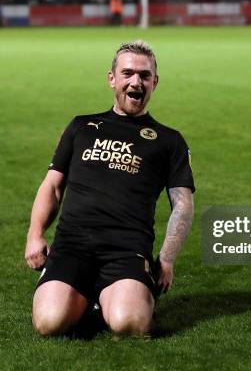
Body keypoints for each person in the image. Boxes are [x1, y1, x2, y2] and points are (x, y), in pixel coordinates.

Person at [24, 40, 195, 337]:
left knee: (129, 324)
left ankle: (109, 299)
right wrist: (34, 234)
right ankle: (86, 296)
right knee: (49, 323)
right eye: (127, 73)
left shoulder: (169, 141)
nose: (135, 82)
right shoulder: (80, 127)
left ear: (154, 82)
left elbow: (183, 203)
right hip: (72, 246)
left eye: (144, 75)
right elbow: (52, 186)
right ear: (112, 79)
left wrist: (166, 259)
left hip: (127, 251)